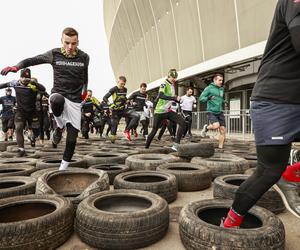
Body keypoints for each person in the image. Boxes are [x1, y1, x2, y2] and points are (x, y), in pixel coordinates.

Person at [222, 0, 300, 228]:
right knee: (269, 171)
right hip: (275, 101)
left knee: (278, 169)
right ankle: (229, 224)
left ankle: (291, 172)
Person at [1, 27, 89, 170]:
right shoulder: (54, 54)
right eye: (67, 43)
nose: (70, 47)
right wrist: (16, 67)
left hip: (75, 100)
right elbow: (32, 60)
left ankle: (62, 169)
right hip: (58, 94)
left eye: (73, 44)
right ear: (62, 41)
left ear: (78, 42)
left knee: (72, 140)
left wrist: (84, 91)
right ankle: (60, 126)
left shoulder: (84, 57)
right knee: (56, 100)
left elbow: (85, 77)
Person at [0, 68, 45, 156]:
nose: (25, 80)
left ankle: (33, 137)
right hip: (20, 111)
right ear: (20, 77)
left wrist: (34, 83)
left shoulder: (33, 86)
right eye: (23, 78)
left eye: (27, 78)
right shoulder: (15, 83)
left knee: (36, 132)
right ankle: (21, 149)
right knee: (19, 128)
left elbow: (43, 88)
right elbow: (4, 85)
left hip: (32, 112)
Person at [145, 69, 186, 151]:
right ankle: (146, 147)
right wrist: (173, 97)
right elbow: (161, 95)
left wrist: (177, 99)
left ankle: (176, 145)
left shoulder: (172, 85)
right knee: (154, 130)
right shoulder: (164, 83)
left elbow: (170, 98)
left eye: (175, 77)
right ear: (168, 76)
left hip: (168, 111)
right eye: (172, 77)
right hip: (160, 111)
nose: (174, 79)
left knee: (183, 122)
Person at [103, 76, 139, 143]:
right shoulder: (113, 89)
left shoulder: (125, 89)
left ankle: (126, 131)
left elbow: (124, 98)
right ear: (118, 82)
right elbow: (105, 98)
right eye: (121, 84)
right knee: (114, 132)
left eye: (124, 84)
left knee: (136, 116)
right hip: (115, 111)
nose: (122, 85)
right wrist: (110, 104)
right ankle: (112, 141)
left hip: (123, 110)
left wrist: (129, 102)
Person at [199, 74, 226, 149]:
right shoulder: (209, 88)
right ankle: (206, 128)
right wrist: (208, 98)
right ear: (214, 80)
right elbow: (201, 98)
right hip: (211, 111)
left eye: (222, 80)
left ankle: (220, 148)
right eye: (219, 80)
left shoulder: (221, 89)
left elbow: (219, 98)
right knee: (216, 125)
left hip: (220, 111)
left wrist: (224, 101)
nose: (221, 82)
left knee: (223, 130)